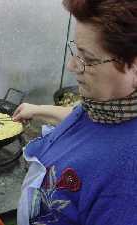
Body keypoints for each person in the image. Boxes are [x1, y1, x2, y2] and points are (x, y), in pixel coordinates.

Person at [13, 0, 137, 224]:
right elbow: (82, 117)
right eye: (76, 51)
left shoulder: (126, 184)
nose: (72, 66)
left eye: (88, 59)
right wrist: (38, 110)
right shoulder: (108, 107)